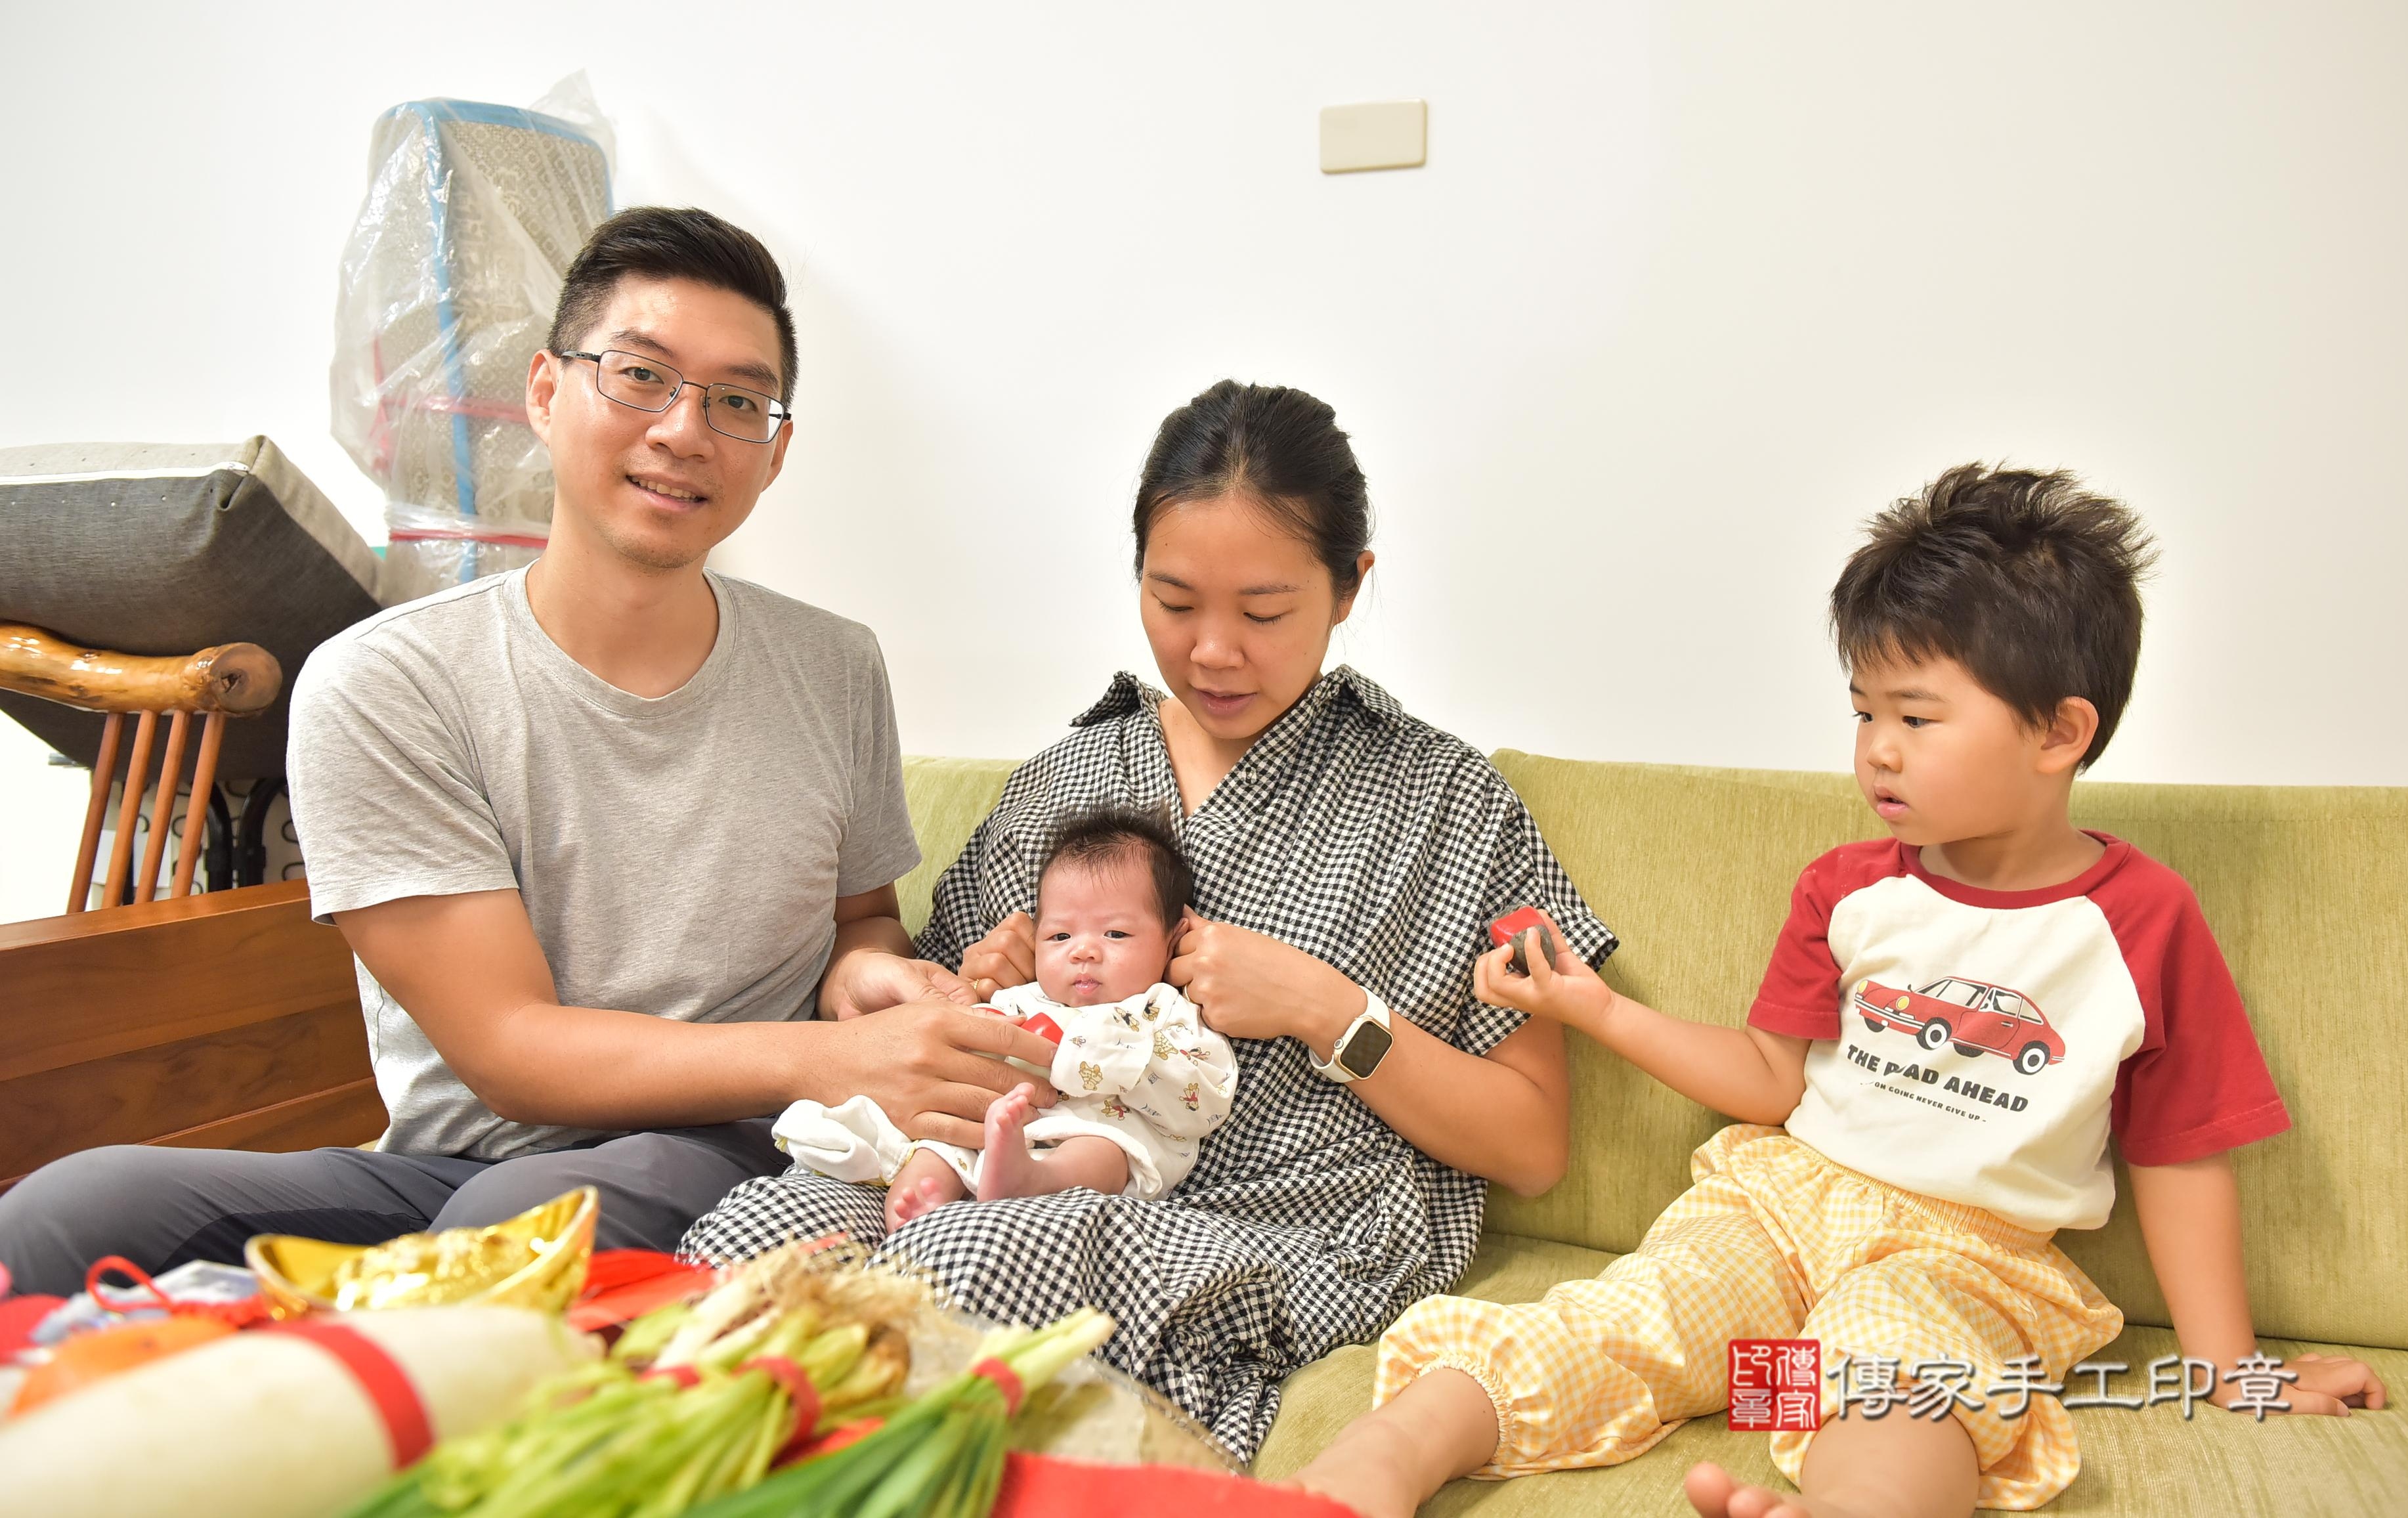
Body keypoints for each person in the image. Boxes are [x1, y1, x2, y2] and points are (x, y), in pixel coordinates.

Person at [1292, 465, 2387, 1518]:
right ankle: (1378, 1460)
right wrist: (1596, 1009)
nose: (1877, 754)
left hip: (1966, 1257)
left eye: (1916, 718)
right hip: (1780, 1211)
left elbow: (2181, 1150)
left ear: (2059, 731)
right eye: (1864, 713)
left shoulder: (2142, 921)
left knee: (1908, 1380)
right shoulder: (1847, 889)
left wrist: (2229, 1367)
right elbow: (1772, 1080)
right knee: (1630, 1316)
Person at [0, 207, 1055, 1292]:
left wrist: (871, 972)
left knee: (517, 1222)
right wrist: (842, 1060)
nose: (686, 430)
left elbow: (859, 916)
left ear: (774, 449)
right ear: (547, 395)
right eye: (642, 376)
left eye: (737, 402)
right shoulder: (386, 684)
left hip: (730, 1139)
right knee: (65, 1214)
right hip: (453, 1164)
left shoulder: (833, 665)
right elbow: (510, 1048)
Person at [681, 379, 1618, 1456]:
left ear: (1351, 586)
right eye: (1175, 603)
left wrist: (1325, 1009)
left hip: (1271, 1234)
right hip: (990, 1164)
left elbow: (1535, 1146)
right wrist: (970, 982)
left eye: (1264, 612)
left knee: (969, 1270)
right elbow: (922, 1027)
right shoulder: (1067, 779)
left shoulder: (1450, 804)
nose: (1214, 650)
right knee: (757, 1235)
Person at [773, 804, 1238, 1230]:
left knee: (1103, 1153)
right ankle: (919, 1195)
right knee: (944, 1136)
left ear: (1174, 939)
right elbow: (953, 1052)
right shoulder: (1020, 1000)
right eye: (1058, 936)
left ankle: (1035, 1181)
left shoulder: (1166, 1012)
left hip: (1099, 1136)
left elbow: (1202, 1101)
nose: (1083, 951)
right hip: (992, 1128)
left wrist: (1090, 1054)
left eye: (1115, 933)